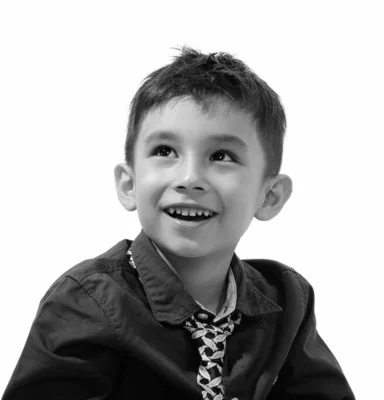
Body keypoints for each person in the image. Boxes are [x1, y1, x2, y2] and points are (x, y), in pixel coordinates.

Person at [2, 48, 354, 400]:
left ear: (270, 196)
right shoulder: (87, 302)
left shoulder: (287, 299)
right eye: (165, 151)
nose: (189, 178)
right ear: (129, 185)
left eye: (222, 156)